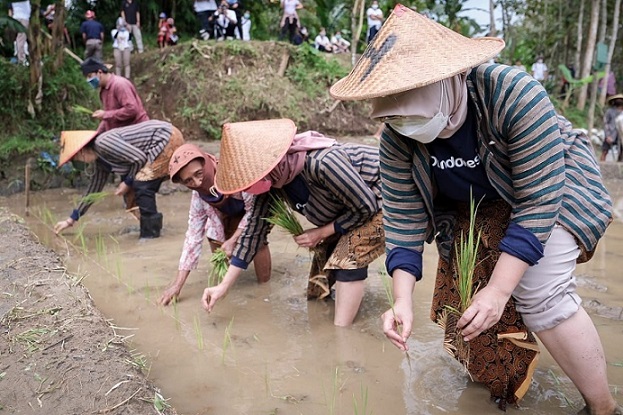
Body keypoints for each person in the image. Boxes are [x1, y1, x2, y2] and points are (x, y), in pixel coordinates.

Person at [330, 5, 619, 414]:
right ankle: (500, 383)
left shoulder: (511, 93)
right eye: (392, 114)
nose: (403, 121)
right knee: (462, 296)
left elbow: (538, 200)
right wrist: (401, 301)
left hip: (555, 185)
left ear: (452, 78)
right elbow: (402, 217)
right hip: (477, 206)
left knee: (540, 293)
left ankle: (602, 406)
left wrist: (500, 290)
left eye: (411, 107)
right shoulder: (398, 137)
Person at [202, 119, 385, 327]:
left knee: (347, 256)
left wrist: (322, 232)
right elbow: (254, 232)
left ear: (267, 163)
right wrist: (223, 287)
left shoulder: (322, 163)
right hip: (350, 211)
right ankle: (329, 325)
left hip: (387, 200)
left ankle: (341, 337)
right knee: (319, 284)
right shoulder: (273, 181)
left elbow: (366, 207)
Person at [159, 144, 272, 305]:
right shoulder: (199, 196)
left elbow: (255, 212)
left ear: (206, 163)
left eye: (199, 173)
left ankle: (264, 290)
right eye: (189, 181)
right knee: (218, 244)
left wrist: (234, 240)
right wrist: (178, 285)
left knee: (256, 241)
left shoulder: (235, 173)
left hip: (252, 211)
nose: (197, 182)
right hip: (225, 216)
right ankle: (224, 290)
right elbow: (193, 236)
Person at [54, 121, 185, 238]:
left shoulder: (103, 143)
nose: (80, 162)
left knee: (141, 183)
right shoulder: (100, 161)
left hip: (166, 138)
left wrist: (127, 182)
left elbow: (138, 159)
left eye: (76, 159)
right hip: (160, 143)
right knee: (133, 192)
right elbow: (93, 192)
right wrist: (72, 219)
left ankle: (151, 235)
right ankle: (151, 227)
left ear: (81, 152)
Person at [80, 58, 149, 136]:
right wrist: (96, 134)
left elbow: (132, 109)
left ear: (99, 72)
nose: (88, 80)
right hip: (122, 133)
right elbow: (109, 118)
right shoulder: (104, 90)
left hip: (138, 131)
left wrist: (105, 114)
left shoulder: (120, 85)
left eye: (90, 76)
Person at [601, 94, 623, 162]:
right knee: (605, 151)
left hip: (621, 135)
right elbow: (605, 123)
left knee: (621, 152)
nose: (619, 101)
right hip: (611, 133)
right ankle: (601, 164)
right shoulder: (610, 111)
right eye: (618, 100)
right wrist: (607, 135)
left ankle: (619, 165)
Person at [9, 0, 31, 65]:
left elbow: (10, 11)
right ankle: (21, 59)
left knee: (19, 39)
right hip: (23, 18)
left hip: (15, 17)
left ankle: (19, 55)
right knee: (21, 39)